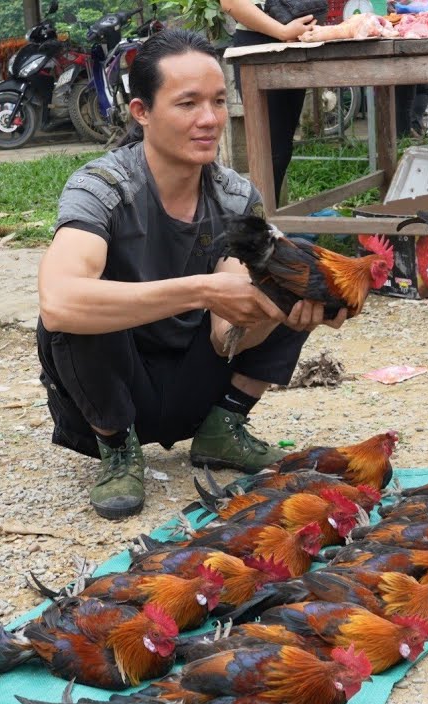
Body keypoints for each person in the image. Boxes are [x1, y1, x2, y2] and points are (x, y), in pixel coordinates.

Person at [37, 30, 344, 520]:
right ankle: (117, 447)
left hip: (191, 385)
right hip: (113, 386)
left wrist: (277, 310)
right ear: (142, 112)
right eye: (188, 104)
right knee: (77, 311)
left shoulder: (235, 197)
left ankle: (223, 426)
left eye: (219, 101)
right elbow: (58, 302)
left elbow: (228, 337)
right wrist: (201, 290)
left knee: (285, 271)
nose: (209, 119)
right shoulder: (101, 186)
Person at [219, 0, 318, 196]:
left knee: (281, 150)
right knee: (270, 151)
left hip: (296, 38)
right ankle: (258, 220)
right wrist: (283, 31)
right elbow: (230, 2)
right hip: (259, 42)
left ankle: (265, 220)